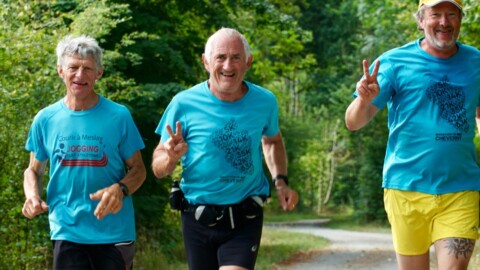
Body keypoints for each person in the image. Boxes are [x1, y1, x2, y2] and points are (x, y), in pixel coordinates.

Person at [345, 0, 480, 269]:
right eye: (436, 14)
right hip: (405, 187)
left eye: (451, 14)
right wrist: (363, 100)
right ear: (420, 20)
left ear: (460, 20)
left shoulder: (476, 62)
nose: (444, 22)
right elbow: (353, 122)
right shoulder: (394, 62)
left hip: (460, 186)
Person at [152, 27, 299, 270]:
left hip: (245, 217)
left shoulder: (264, 101)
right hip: (197, 217)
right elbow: (158, 168)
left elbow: (272, 141)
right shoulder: (184, 103)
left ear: (248, 62)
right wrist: (169, 157)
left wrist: (281, 181)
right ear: (206, 62)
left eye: (236, 57)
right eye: (220, 57)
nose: (228, 66)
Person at [22, 34, 146, 270]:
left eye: (87, 69)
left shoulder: (118, 116)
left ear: (99, 73)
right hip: (66, 229)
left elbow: (139, 170)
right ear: (61, 71)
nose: (80, 75)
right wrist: (32, 196)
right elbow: (34, 170)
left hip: (113, 232)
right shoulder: (45, 119)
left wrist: (120, 189)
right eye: (73, 68)